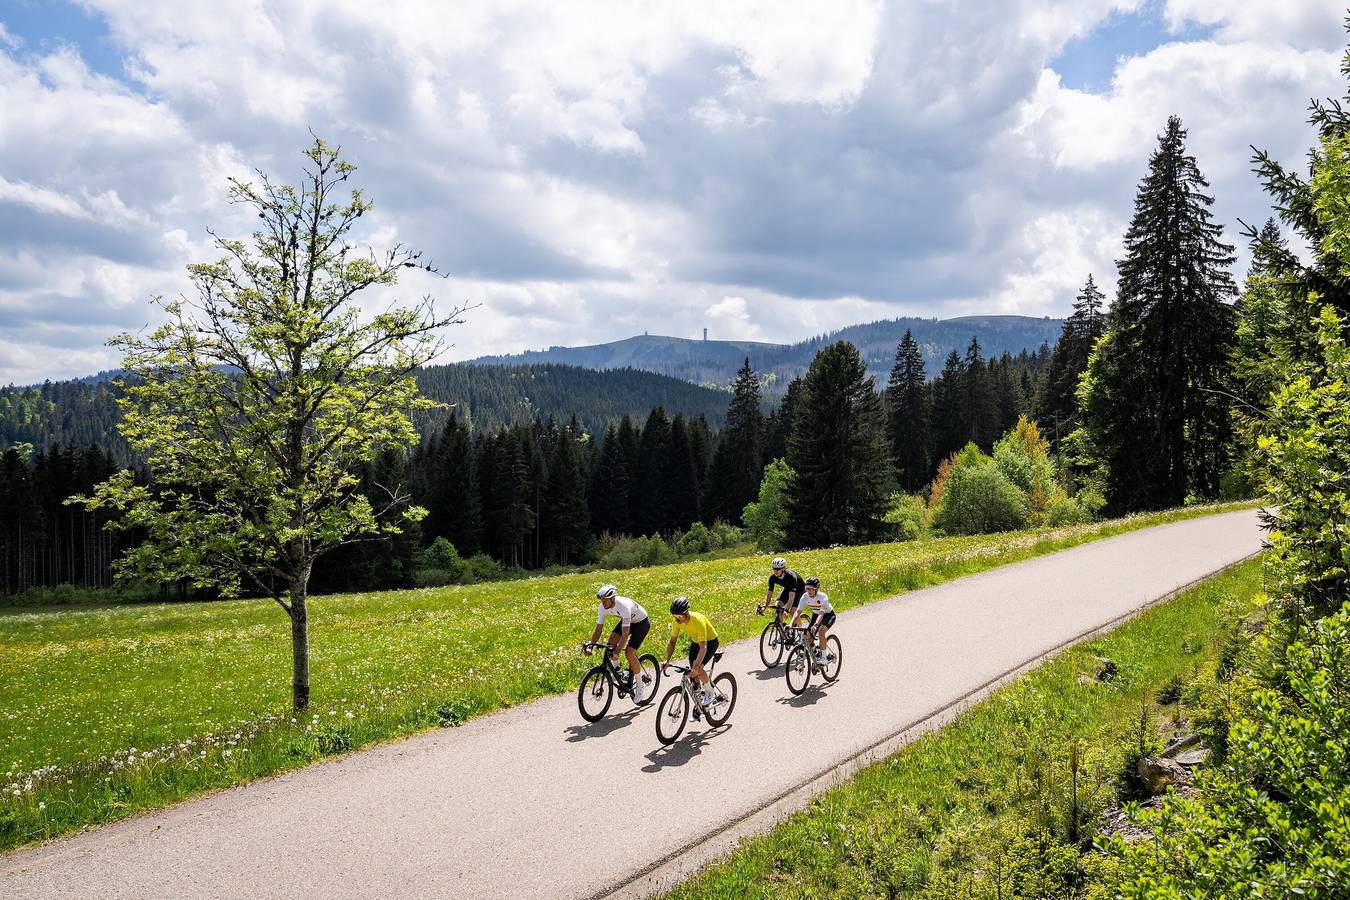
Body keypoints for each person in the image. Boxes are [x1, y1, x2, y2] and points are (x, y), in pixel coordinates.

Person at [586, 584, 651, 702]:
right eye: (602, 600)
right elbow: (598, 629)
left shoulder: (624, 606)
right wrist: (591, 645)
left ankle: (640, 686)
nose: (603, 603)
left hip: (641, 623)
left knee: (629, 653)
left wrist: (617, 651)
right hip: (628, 621)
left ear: (613, 598)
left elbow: (625, 634)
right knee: (610, 644)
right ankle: (619, 673)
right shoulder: (602, 607)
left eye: (605, 601)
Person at [662, 597, 719, 706]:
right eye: (674, 616)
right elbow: (672, 641)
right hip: (695, 642)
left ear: (686, 613)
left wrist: (696, 666)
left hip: (710, 642)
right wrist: (667, 660)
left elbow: (703, 647)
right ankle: (699, 701)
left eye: (679, 616)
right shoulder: (676, 621)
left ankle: (710, 691)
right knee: (693, 676)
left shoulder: (698, 620)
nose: (676, 619)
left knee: (697, 668)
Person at [789, 576, 836, 665]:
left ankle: (824, 657)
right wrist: (790, 624)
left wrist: (815, 625)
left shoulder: (823, 597)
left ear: (816, 589)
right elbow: (797, 612)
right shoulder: (805, 596)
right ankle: (816, 652)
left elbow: (821, 613)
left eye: (811, 589)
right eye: (807, 589)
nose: (808, 591)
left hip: (828, 615)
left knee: (821, 632)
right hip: (815, 614)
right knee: (807, 637)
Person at [764, 557, 806, 622]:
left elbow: (791, 598)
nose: (775, 571)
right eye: (774, 569)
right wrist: (764, 607)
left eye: (778, 569)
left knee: (792, 611)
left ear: (783, 569)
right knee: (778, 606)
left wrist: (786, 610)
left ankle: (801, 628)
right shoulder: (772, 578)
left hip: (799, 589)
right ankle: (781, 628)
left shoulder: (791, 577)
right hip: (788, 588)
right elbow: (769, 594)